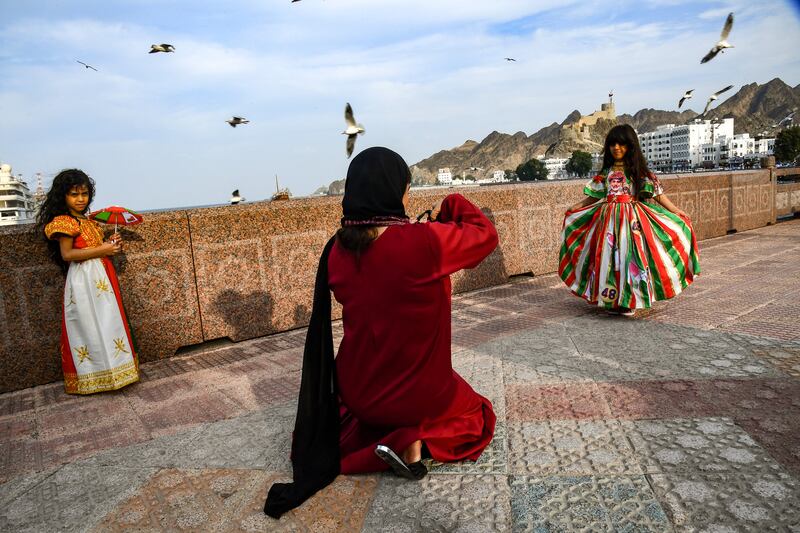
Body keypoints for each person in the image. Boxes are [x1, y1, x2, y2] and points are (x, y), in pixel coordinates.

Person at [265, 147, 499, 518]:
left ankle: (388, 435)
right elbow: (485, 235)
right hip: (420, 394)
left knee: (355, 414)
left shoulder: (336, 252)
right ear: (396, 193)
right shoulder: (425, 243)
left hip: (359, 394)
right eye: (407, 190)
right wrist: (453, 202)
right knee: (477, 414)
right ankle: (412, 443)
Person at [559, 124, 700, 316]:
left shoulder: (638, 172)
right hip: (607, 221)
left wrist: (676, 211)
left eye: (622, 144)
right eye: (613, 144)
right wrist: (576, 207)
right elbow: (595, 196)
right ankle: (612, 300)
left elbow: (657, 195)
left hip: (632, 222)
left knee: (629, 257)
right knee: (608, 258)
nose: (617, 148)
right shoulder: (606, 173)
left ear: (630, 146)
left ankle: (630, 299)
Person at [35, 169, 139, 394]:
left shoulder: (88, 221)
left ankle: (116, 372)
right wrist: (103, 248)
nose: (80, 199)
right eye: (74, 194)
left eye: (84, 194)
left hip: (101, 276)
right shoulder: (64, 221)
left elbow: (94, 248)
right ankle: (93, 377)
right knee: (89, 324)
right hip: (83, 280)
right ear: (63, 196)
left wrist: (110, 243)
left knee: (108, 320)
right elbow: (68, 255)